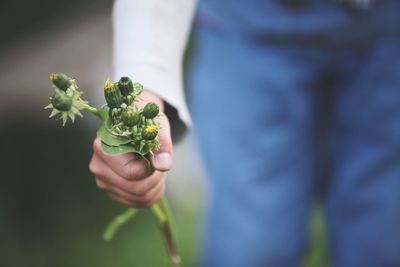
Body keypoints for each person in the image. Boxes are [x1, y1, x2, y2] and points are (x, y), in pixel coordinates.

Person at [89, 0, 400, 266]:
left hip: (390, 35)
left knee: (382, 233)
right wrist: (142, 86)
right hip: (246, 31)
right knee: (254, 241)